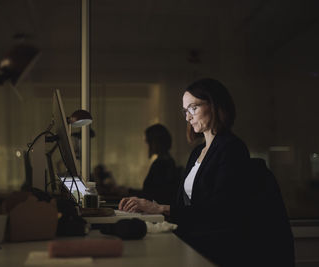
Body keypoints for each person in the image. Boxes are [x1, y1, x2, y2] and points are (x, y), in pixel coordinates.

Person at [119, 78, 294, 266]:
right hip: (196, 235)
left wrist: (160, 209)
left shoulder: (232, 148)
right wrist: (147, 205)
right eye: (185, 111)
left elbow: (221, 210)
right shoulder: (197, 152)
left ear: (214, 105)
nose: (188, 117)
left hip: (218, 244)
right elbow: (185, 204)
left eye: (193, 108)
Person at [132, 123, 181, 205]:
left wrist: (128, 191)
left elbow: (151, 195)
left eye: (148, 141)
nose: (148, 145)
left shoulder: (161, 164)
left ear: (156, 142)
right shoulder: (168, 161)